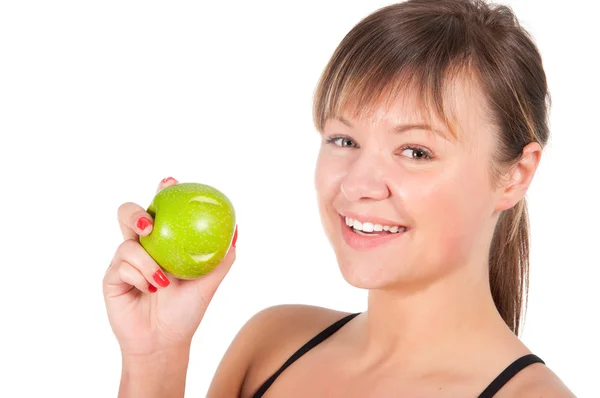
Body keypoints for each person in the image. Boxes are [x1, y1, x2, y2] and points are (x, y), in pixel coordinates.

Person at [103, 0, 576, 396]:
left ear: (515, 175)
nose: (356, 184)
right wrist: (156, 358)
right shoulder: (271, 347)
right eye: (344, 140)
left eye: (416, 151)